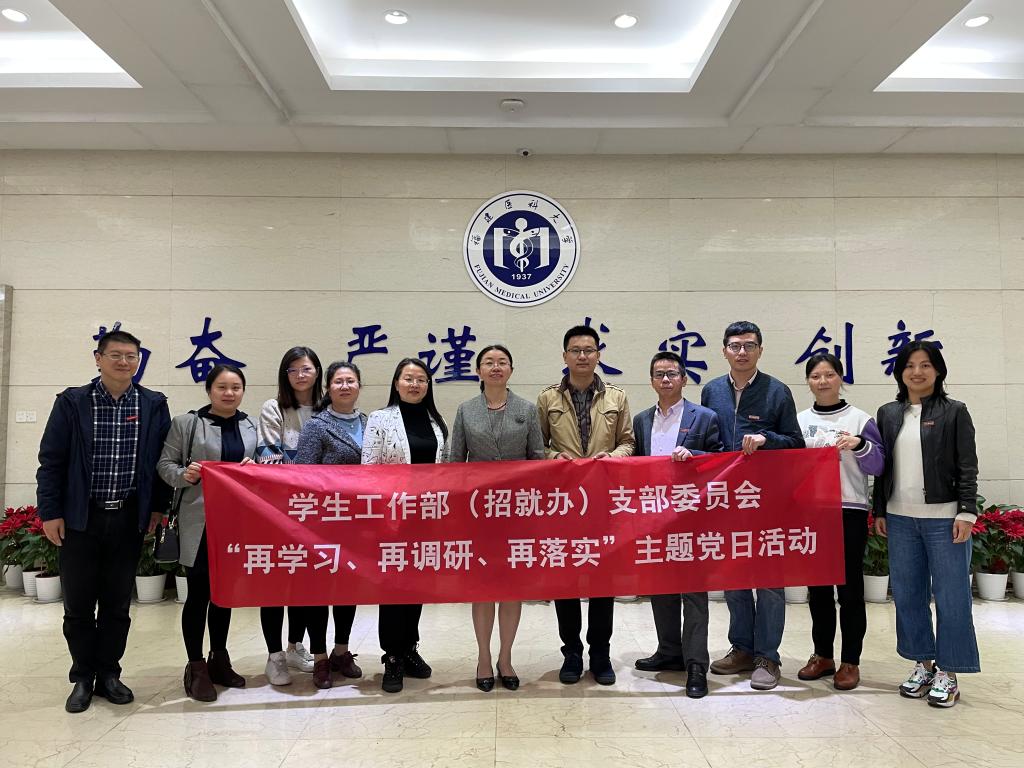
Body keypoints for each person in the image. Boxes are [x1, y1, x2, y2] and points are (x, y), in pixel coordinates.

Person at [36, 329, 172, 714]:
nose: (124, 362)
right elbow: (51, 461)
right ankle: (82, 676)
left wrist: (157, 509)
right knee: (78, 604)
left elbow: (160, 464)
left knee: (116, 604)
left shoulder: (153, 404)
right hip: (80, 518)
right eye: (116, 355)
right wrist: (50, 511)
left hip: (128, 518)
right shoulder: (72, 402)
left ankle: (109, 673)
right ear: (98, 358)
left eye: (131, 356)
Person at [873, 341, 980, 708]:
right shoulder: (889, 413)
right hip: (900, 519)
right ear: (900, 372)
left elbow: (967, 464)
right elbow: (882, 467)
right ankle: (923, 664)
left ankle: (949, 671)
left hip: (944, 519)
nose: (916, 372)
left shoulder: (954, 412)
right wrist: (880, 510)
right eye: (909, 366)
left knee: (952, 597)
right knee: (908, 595)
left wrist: (966, 511)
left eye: (925, 365)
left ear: (938, 371)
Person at [700, 321, 804, 690]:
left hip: (766, 500)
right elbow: (708, 441)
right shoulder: (712, 390)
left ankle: (768, 657)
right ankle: (742, 648)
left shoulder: (777, 391)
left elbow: (796, 443)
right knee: (734, 578)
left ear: (760, 350)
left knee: (770, 582)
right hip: (727, 501)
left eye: (749, 345)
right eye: (735, 345)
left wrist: (766, 438)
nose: (741, 352)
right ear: (724, 351)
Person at [536, 324, 635, 686]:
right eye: (575, 350)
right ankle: (572, 653)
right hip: (563, 504)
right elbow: (537, 447)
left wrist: (612, 458)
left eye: (588, 350)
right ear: (565, 356)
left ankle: (601, 654)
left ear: (598, 355)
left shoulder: (616, 398)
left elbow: (629, 443)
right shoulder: (547, 399)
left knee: (602, 582)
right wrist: (554, 458)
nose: (582, 356)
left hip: (603, 502)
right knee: (565, 581)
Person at [157, 364, 258, 702]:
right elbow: (164, 465)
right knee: (198, 593)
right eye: (222, 387)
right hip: (198, 521)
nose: (229, 393)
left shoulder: (249, 425)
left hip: (235, 522)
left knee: (224, 594)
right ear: (209, 390)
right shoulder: (187, 424)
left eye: (236, 387)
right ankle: (196, 665)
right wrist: (184, 475)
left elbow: (260, 469)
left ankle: (219, 658)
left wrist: (254, 469)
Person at [448, 344, 544, 692]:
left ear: (511, 370)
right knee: (484, 586)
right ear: (479, 371)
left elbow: (537, 458)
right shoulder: (466, 409)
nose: (495, 367)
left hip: (517, 512)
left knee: (512, 587)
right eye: (488, 362)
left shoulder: (526, 409)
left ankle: (506, 658)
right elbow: (454, 461)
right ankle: (484, 658)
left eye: (502, 362)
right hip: (479, 514)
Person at [632, 351, 722, 699]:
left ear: (684, 379)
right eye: (659, 374)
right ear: (652, 381)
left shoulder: (705, 417)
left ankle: (696, 663)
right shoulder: (642, 420)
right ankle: (669, 651)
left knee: (694, 592)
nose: (666, 379)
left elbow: (720, 460)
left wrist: (695, 456)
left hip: (692, 516)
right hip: (655, 517)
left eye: (672, 373)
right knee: (661, 586)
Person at [796, 353, 884, 691]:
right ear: (808, 381)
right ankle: (822, 655)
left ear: (841, 378)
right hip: (812, 512)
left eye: (829, 375)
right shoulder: (799, 421)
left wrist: (859, 445)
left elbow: (878, 465)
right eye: (815, 376)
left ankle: (850, 661)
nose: (822, 381)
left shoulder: (860, 419)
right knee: (817, 589)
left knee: (850, 591)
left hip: (849, 510)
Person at [362, 358, 448, 693]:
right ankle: (393, 656)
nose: (415, 384)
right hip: (392, 519)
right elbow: (369, 470)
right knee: (393, 589)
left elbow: (443, 470)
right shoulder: (380, 419)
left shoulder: (436, 422)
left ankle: (410, 647)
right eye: (408, 378)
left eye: (421, 379)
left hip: (426, 518)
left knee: (417, 586)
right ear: (396, 383)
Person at [293, 361, 367, 689]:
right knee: (319, 591)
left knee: (349, 589)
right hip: (322, 523)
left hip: (360, 523)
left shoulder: (370, 423)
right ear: (328, 388)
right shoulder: (316, 426)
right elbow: (303, 474)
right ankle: (320, 657)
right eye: (338, 381)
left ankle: (341, 651)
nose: (345, 386)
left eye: (351, 381)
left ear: (359, 386)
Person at [257, 347, 324, 683]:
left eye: (306, 368)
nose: (300, 375)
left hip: (320, 512)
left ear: (317, 372)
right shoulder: (274, 408)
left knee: (305, 583)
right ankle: (274, 656)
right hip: (280, 510)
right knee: (275, 582)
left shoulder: (327, 408)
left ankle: (295, 646)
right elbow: (269, 458)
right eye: (293, 369)